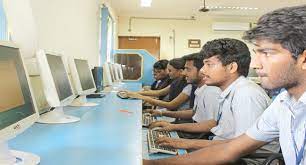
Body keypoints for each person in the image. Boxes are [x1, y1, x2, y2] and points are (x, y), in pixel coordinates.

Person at [143, 5, 306, 165]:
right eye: (257, 54)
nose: (255, 64)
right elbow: (232, 148)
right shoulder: (284, 102)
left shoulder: (246, 94)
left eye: (268, 53)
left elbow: (238, 151)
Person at [150, 38, 274, 154]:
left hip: (247, 159)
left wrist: (186, 143)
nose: (203, 70)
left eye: (209, 64)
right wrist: (177, 134)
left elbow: (243, 146)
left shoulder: (245, 94)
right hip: (224, 148)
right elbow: (217, 127)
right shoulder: (231, 91)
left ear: (231, 67)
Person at [147, 53, 221, 139]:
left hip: (202, 137)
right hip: (196, 132)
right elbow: (194, 113)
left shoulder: (211, 92)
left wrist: (174, 127)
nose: (184, 73)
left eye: (188, 69)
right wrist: (162, 113)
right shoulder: (200, 89)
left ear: (202, 71)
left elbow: (210, 125)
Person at [127, 58, 192, 111]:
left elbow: (171, 105)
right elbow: (159, 93)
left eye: (170, 70)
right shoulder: (177, 81)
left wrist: (142, 97)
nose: (168, 73)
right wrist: (135, 93)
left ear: (180, 71)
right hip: (170, 111)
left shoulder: (189, 85)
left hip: (175, 114)